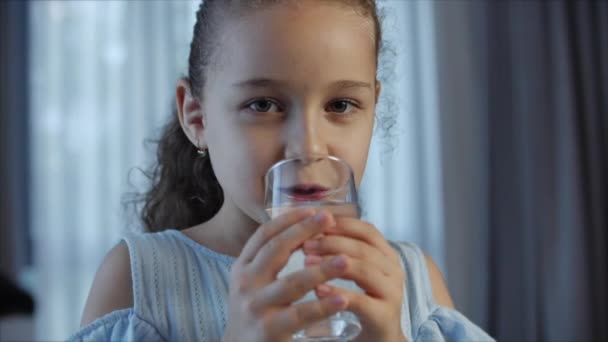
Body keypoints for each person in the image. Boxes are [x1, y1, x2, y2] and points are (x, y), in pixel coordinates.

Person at [70, 0, 494, 341]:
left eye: (340, 105)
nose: (309, 146)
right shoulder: (140, 282)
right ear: (197, 118)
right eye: (263, 105)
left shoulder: (413, 285)